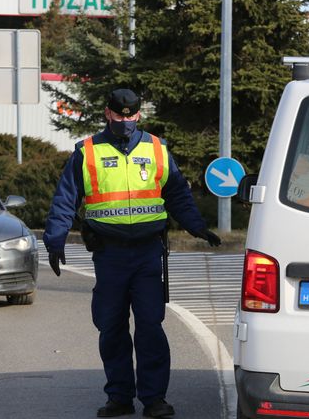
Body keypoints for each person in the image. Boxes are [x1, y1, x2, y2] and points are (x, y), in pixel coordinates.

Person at [43, 88, 221, 418]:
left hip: (148, 253)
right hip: (109, 255)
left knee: (151, 326)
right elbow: (65, 199)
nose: (125, 120)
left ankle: (154, 399)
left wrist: (197, 226)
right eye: (118, 114)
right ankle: (119, 397)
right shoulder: (87, 152)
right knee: (111, 327)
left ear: (138, 115)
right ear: (107, 113)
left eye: (131, 115)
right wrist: (54, 240)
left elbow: (178, 193)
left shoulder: (157, 149)